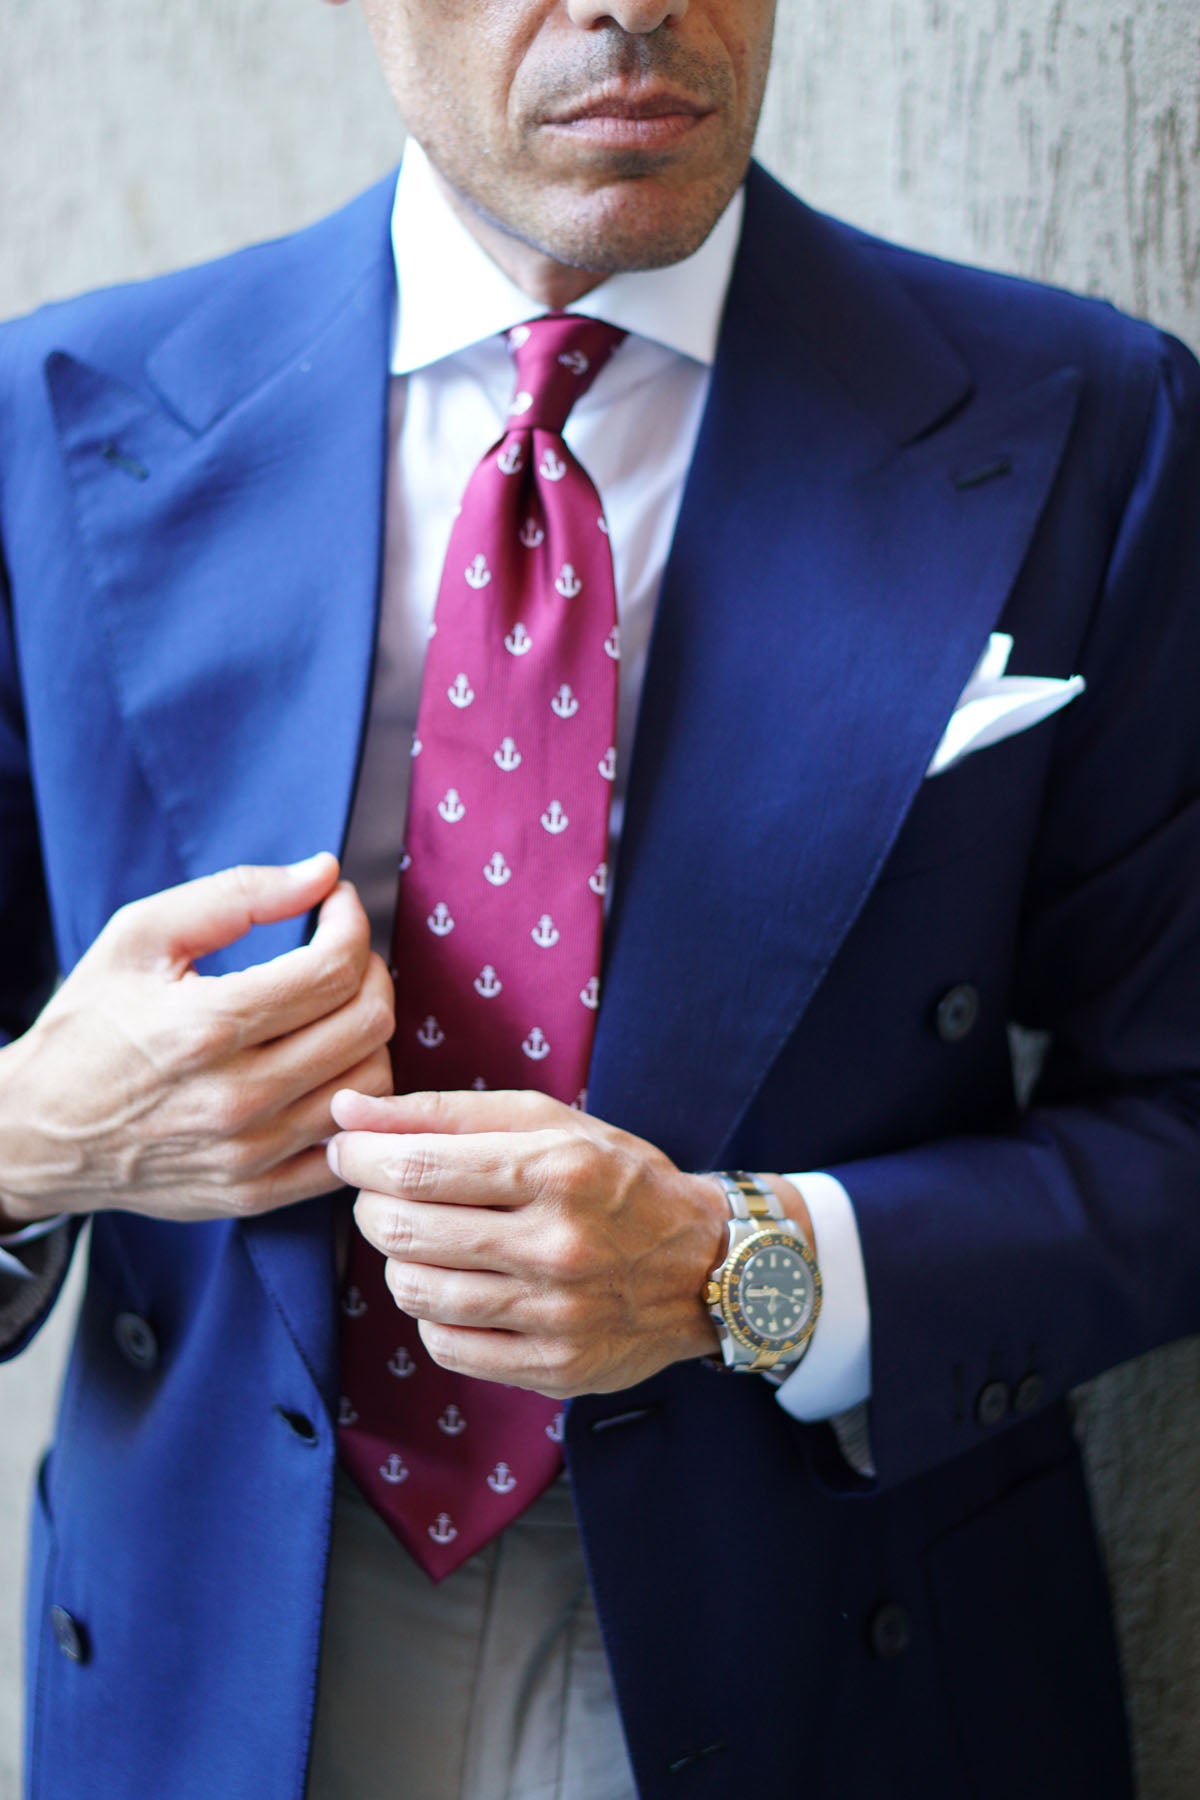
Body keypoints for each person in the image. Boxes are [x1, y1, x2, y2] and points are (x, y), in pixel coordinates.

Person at [1, 0, 1198, 1794]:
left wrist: (754, 1270)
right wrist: (38, 1131)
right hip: (226, 1635)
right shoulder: (52, 420)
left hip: (830, 1627)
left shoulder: (1087, 421)